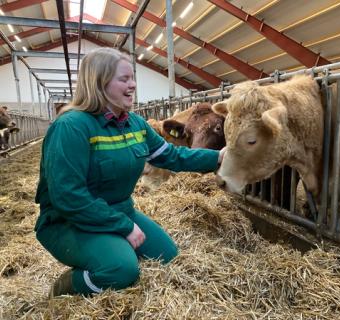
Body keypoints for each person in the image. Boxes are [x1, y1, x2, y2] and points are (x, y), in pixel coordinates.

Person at [34, 47, 225, 297]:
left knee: (167, 257)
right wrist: (124, 227)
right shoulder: (71, 127)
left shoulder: (134, 124)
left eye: (132, 78)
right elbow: (68, 196)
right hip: (69, 221)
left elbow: (171, 155)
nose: (132, 85)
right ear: (99, 83)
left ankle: (112, 248)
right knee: (121, 271)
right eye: (124, 79)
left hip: (119, 210)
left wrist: (218, 157)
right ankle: (65, 288)